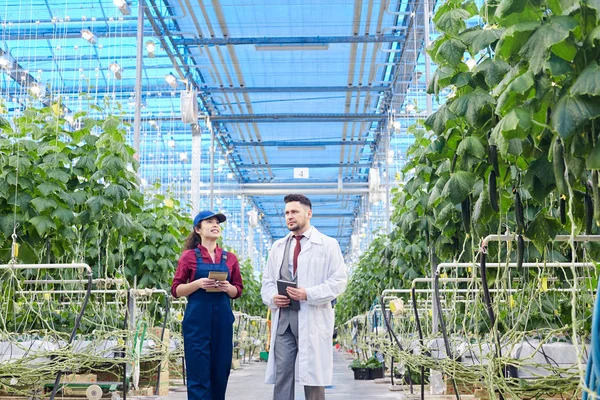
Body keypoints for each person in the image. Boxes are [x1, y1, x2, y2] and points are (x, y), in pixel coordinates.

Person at [261, 194, 347, 400]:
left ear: (308, 213)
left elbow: (338, 281)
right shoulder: (278, 247)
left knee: (314, 377)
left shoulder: (327, 245)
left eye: (294, 212)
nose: (289, 217)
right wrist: (273, 297)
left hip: (313, 318)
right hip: (284, 322)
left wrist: (308, 294)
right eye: (286, 213)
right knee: (282, 375)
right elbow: (267, 282)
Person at [171, 210, 243, 400]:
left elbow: (238, 291)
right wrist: (197, 284)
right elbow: (176, 290)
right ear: (198, 230)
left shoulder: (230, 259)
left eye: (217, 222)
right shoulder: (189, 257)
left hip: (222, 320)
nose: (215, 225)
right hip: (197, 321)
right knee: (198, 372)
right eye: (209, 222)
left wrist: (228, 287)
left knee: (221, 371)